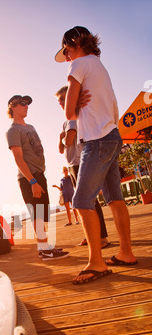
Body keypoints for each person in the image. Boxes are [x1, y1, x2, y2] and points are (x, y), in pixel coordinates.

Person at [55, 26, 137, 284]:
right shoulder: (99, 66)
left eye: (66, 50)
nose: (66, 57)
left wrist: (76, 104)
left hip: (97, 140)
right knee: (114, 198)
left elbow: (69, 112)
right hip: (112, 134)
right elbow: (113, 106)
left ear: (75, 43)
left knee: (81, 202)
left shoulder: (79, 65)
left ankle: (96, 262)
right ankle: (125, 253)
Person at [6, 94, 69, 261]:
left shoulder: (30, 127)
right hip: (29, 177)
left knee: (41, 214)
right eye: (22, 103)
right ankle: (45, 251)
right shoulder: (13, 131)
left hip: (39, 174)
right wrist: (32, 181)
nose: (26, 106)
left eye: (27, 104)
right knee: (36, 215)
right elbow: (18, 158)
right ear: (12, 106)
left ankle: (45, 248)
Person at [55, 85, 110, 248]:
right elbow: (61, 148)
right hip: (73, 163)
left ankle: (102, 238)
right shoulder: (66, 121)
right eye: (59, 101)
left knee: (88, 201)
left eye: (63, 99)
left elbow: (69, 141)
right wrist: (61, 138)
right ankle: (93, 236)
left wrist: (64, 138)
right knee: (85, 202)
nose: (61, 103)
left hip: (80, 162)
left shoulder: (72, 118)